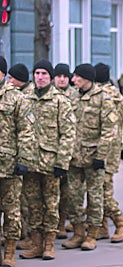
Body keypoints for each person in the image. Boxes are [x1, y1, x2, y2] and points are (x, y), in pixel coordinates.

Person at [20, 59, 76, 261]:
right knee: (33, 205)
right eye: (37, 73)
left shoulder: (60, 101)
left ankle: (49, 245)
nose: (40, 77)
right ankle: (36, 243)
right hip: (29, 163)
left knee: (51, 205)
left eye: (44, 73)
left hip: (51, 164)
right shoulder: (24, 99)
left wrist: (62, 163)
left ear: (50, 77)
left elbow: (68, 134)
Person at [62, 63, 117, 251]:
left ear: (86, 78)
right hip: (74, 157)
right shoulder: (71, 96)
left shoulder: (103, 98)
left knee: (95, 197)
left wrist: (101, 156)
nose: (73, 79)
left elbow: (109, 130)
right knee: (74, 197)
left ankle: (92, 234)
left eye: (77, 76)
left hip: (94, 158)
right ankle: (78, 233)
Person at [0, 56, 34, 267]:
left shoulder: (16, 98)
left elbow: (26, 131)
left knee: (12, 211)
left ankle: (9, 253)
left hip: (9, 165)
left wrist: (23, 159)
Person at [93, 63, 123, 243]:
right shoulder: (117, 94)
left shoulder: (103, 95)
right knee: (100, 188)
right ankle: (102, 226)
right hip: (113, 148)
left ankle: (120, 223)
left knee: (103, 189)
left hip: (105, 150)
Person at [53, 63, 79, 239]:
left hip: (72, 151)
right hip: (49, 153)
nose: (62, 79)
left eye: (64, 76)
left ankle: (62, 223)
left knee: (68, 192)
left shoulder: (75, 96)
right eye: (58, 76)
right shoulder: (50, 95)